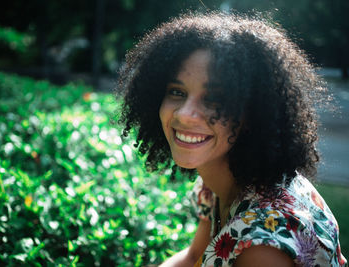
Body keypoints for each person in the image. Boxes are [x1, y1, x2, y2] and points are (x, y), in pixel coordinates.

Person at [117, 12, 347, 267]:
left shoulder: (263, 248)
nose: (184, 114)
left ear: (254, 114)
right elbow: (194, 257)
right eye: (177, 92)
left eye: (214, 99)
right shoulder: (220, 181)